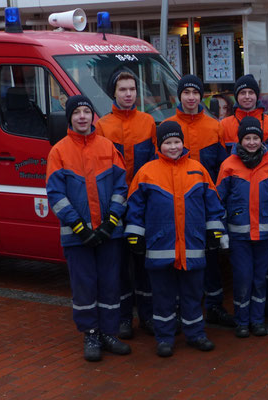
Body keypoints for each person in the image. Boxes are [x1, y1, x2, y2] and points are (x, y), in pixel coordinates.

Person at [124, 121, 226, 358]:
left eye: (177, 142)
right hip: (161, 248)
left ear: (183, 143)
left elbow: (213, 205)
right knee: (163, 297)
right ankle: (165, 337)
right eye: (167, 142)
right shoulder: (147, 172)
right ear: (159, 145)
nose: (173, 146)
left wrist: (214, 232)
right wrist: (134, 236)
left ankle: (196, 334)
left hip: (192, 247)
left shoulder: (198, 170)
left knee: (193, 294)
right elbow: (135, 209)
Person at [46, 95, 131, 362]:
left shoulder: (108, 147)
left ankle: (109, 332)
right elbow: (55, 195)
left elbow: (121, 188)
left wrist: (111, 223)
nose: (82, 117)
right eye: (77, 113)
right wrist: (80, 228)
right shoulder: (58, 151)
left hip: (109, 233)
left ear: (92, 116)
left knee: (109, 284)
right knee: (84, 286)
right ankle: (91, 333)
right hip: (76, 237)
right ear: (70, 117)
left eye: (86, 111)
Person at [164, 74, 234, 327]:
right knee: (180, 255)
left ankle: (214, 306)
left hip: (206, 202)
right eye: (186, 93)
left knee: (210, 255)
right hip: (175, 203)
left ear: (201, 96)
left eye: (195, 93)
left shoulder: (215, 126)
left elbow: (223, 167)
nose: (191, 98)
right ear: (179, 96)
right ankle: (183, 309)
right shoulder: (167, 125)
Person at [95, 69, 157, 339]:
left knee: (144, 264)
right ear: (114, 93)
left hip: (143, 205)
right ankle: (123, 318)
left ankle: (147, 316)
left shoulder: (148, 123)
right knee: (119, 266)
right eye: (123, 90)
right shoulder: (102, 126)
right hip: (115, 205)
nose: (128, 94)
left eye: (132, 89)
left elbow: (156, 164)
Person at [221, 74, 268, 318]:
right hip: (239, 206)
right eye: (242, 93)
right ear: (236, 96)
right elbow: (222, 163)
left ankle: (264, 304)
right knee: (243, 271)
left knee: (265, 267)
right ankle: (245, 313)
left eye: (251, 92)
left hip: (264, 208)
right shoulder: (225, 125)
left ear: (257, 96)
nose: (247, 97)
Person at [216, 117, 268, 338]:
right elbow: (218, 202)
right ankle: (242, 321)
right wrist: (221, 233)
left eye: (255, 138)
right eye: (247, 138)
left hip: (264, 236)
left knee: (260, 279)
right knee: (242, 278)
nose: (251, 142)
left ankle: (257, 320)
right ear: (239, 140)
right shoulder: (228, 165)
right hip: (238, 237)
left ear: (262, 139)